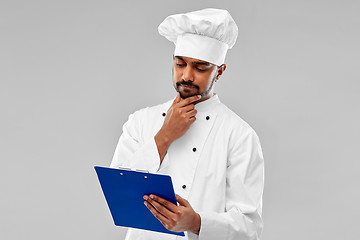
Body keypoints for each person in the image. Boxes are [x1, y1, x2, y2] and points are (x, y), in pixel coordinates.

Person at [110, 8, 264, 240]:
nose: (187, 76)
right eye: (180, 64)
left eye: (200, 67)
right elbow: (117, 193)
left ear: (219, 71)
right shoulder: (141, 122)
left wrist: (197, 223)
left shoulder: (239, 135)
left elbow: (250, 228)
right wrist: (164, 136)